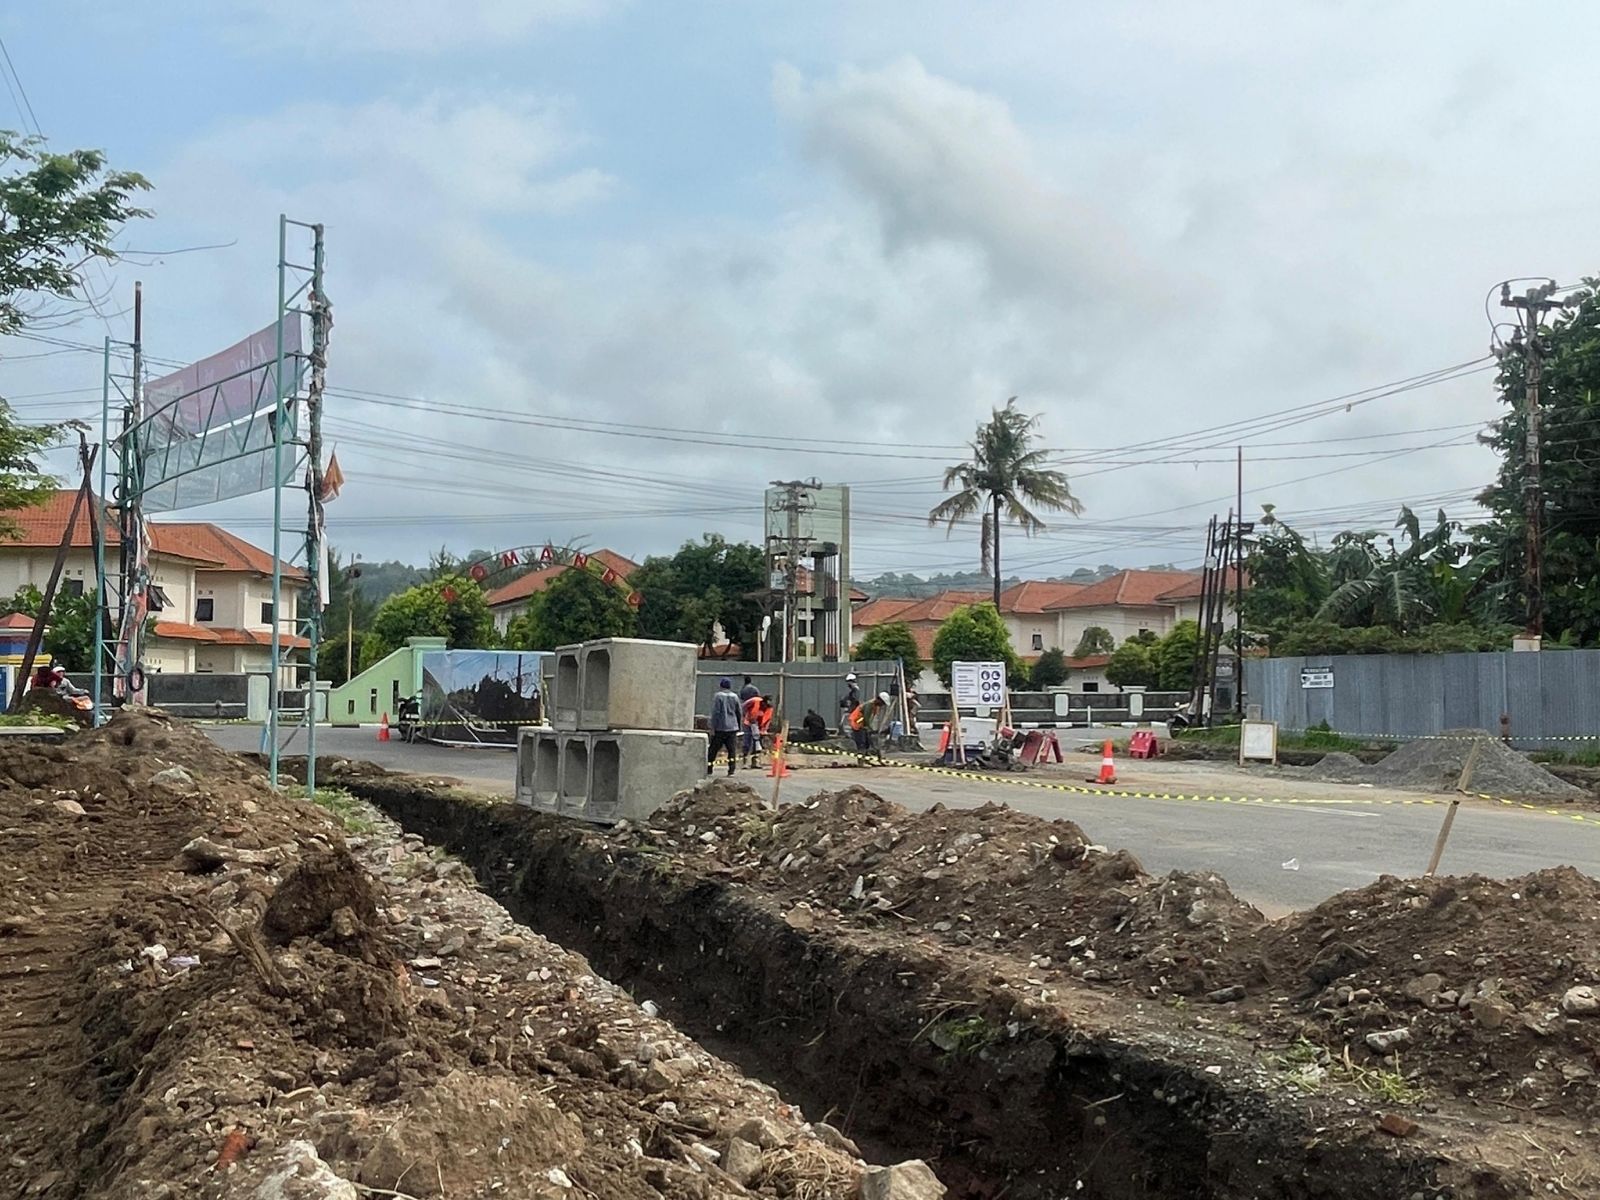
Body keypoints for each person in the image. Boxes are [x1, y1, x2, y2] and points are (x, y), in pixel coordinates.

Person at [709, 677, 742, 776]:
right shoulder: (735, 697)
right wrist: (739, 726)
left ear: (721, 686)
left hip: (720, 727)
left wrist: (712, 727)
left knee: (713, 749)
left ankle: (709, 768)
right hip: (732, 727)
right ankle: (731, 770)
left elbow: (716, 712)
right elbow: (739, 712)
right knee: (731, 750)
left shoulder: (718, 696)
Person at [741, 691, 765, 767]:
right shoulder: (755, 701)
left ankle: (755, 762)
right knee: (747, 742)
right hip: (748, 723)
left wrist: (763, 730)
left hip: (758, 726)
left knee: (757, 743)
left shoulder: (768, 709)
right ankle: (745, 762)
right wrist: (744, 714)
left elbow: (767, 720)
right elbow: (743, 706)